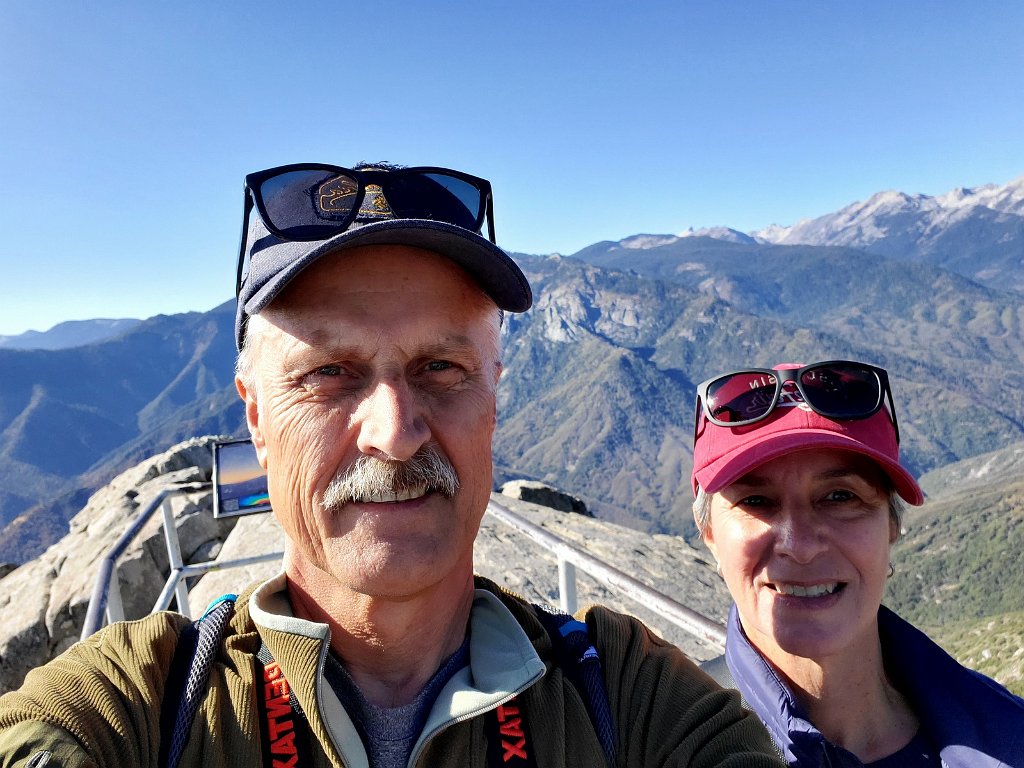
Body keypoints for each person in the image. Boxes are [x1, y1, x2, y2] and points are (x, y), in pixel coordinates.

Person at [0, 163, 785, 768]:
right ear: (256, 418)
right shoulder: (144, 704)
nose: (397, 432)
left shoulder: (631, 701)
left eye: (441, 368)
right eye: (329, 373)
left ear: (494, 401)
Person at [690, 360, 1024, 767]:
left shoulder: (1011, 739)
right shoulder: (661, 747)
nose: (800, 546)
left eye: (840, 497)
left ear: (891, 525)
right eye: (756, 502)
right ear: (709, 533)